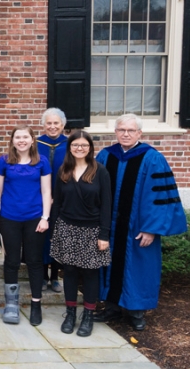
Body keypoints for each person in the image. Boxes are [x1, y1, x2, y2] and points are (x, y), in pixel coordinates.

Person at [93, 114, 187, 331]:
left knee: (139, 267)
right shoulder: (105, 156)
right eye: (122, 130)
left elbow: (159, 199)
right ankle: (111, 308)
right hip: (110, 227)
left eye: (131, 130)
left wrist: (151, 229)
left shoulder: (153, 158)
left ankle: (136, 312)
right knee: (108, 263)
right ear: (115, 132)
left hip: (138, 228)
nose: (126, 134)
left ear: (140, 133)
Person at [50, 131, 111, 337]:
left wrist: (104, 234)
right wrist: (54, 230)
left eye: (84, 145)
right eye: (75, 145)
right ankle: (70, 314)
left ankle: (88, 316)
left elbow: (106, 206)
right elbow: (57, 202)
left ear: (90, 148)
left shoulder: (100, 171)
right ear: (70, 147)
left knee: (90, 274)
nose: (79, 148)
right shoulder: (63, 171)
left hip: (92, 230)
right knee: (69, 272)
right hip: (67, 227)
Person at [0, 125, 52, 326]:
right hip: (9, 217)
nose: (21, 140)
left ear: (32, 140)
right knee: (11, 260)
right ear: (12, 141)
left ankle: (36, 304)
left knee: (35, 261)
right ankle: (11, 304)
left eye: (25, 137)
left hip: (34, 218)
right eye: (17, 137)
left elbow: (46, 192)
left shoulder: (42, 162)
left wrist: (45, 217)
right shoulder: (4, 162)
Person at [37, 108, 68, 293]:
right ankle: (42, 275)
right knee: (41, 236)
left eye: (56, 123)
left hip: (64, 199)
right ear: (44, 125)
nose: (52, 126)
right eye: (49, 123)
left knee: (57, 236)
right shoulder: (36, 144)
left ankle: (55, 276)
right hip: (40, 199)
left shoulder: (70, 144)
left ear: (63, 125)